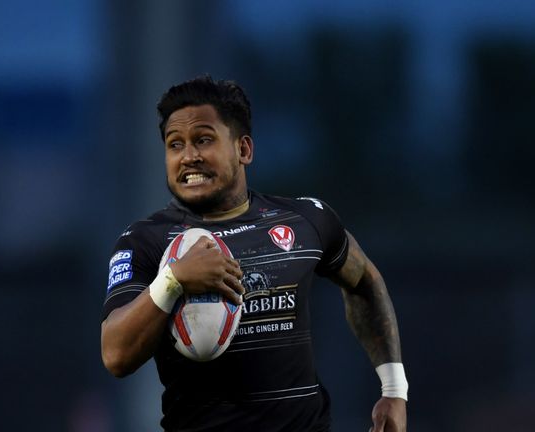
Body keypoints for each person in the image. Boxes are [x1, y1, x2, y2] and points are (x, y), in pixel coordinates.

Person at [101, 76, 408, 432]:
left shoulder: (306, 219)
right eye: (175, 145)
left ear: (244, 150)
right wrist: (172, 280)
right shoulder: (145, 242)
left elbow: (365, 282)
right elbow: (115, 354)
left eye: (203, 140)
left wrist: (394, 389)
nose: (188, 157)